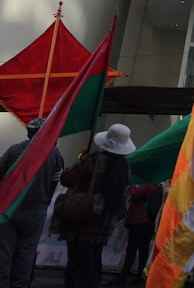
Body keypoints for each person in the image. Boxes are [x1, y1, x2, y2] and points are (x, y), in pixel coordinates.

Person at [50, 123, 134, 288]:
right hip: (103, 225)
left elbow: (67, 179)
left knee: (79, 269)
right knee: (91, 266)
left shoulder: (95, 159)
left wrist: (79, 162)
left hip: (81, 221)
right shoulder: (125, 168)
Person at [0, 117, 63, 288]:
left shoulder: (14, 151)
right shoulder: (55, 154)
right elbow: (55, 182)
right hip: (37, 211)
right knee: (26, 252)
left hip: (9, 209)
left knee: (4, 252)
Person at [106, 183, 162, 286]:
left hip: (139, 221)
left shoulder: (146, 184)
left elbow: (135, 194)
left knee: (131, 250)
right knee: (143, 250)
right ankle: (139, 276)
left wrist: (132, 187)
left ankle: (123, 278)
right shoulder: (156, 186)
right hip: (148, 223)